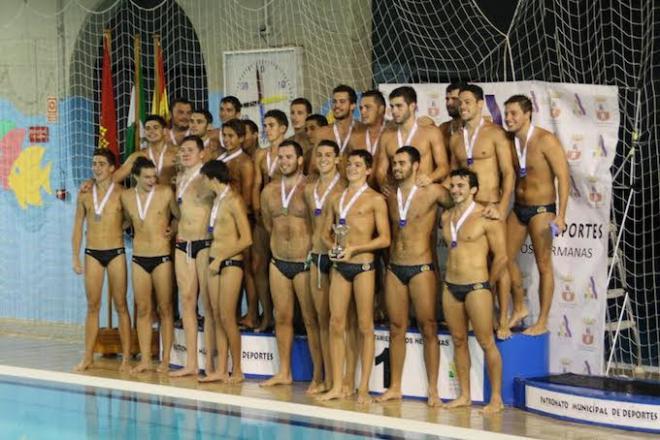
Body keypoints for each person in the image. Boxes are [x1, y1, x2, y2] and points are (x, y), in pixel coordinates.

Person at [376, 146, 451, 407]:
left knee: (428, 327)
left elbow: (460, 200)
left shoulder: (432, 191)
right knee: (396, 328)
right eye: (394, 164)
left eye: (402, 163)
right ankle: (395, 386)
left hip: (422, 267)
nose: (397, 168)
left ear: (416, 165)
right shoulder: (389, 194)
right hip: (395, 267)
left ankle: (433, 389)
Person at [318, 149, 391, 404]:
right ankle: (338, 385)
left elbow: (384, 238)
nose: (352, 168)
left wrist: (355, 249)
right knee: (336, 324)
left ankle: (363, 388)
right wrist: (332, 248)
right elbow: (325, 232)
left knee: (364, 326)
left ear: (369, 170)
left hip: (363, 266)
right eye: (349, 164)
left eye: (358, 165)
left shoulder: (375, 200)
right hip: (340, 266)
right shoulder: (336, 198)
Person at [450, 84, 515, 338]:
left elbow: (508, 173)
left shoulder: (495, 134)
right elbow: (454, 176)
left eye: (467, 102)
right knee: (471, 265)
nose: (463, 107)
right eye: (460, 103)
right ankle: (472, 315)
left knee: (500, 262)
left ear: (479, 105)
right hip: (466, 211)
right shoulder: (455, 138)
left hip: (490, 206)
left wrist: (500, 206)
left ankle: (504, 319)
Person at [259, 140, 324, 393]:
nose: (284, 161)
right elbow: (268, 224)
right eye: (280, 157)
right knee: (282, 318)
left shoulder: (310, 187)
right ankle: (284, 371)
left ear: (300, 160)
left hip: (303, 262)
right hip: (279, 263)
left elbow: (317, 225)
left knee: (311, 320)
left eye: (289, 157)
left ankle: (318, 376)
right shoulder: (268, 191)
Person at [441, 168, 506, 414]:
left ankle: (496, 398)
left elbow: (501, 257)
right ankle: (464, 395)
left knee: (486, 342)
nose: (456, 190)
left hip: (477, 286)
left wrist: (488, 283)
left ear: (474, 190)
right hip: (450, 286)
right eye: (453, 186)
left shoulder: (486, 217)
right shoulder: (446, 216)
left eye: (461, 186)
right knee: (458, 341)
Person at [503, 94, 569, 335]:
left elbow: (563, 176)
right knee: (503, 258)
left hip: (542, 209)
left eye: (513, 114)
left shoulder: (545, 140)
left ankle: (542, 321)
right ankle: (519, 307)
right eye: (507, 113)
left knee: (543, 265)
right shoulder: (509, 141)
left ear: (527, 113)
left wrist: (560, 215)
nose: (508, 118)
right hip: (519, 207)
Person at [72, 148, 131, 372]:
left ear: (112, 168)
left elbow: (131, 220)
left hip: (115, 252)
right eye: (94, 163)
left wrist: (115, 228)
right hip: (92, 253)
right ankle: (88, 356)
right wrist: (74, 256)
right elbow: (78, 226)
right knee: (92, 306)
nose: (96, 167)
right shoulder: (85, 194)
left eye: (101, 164)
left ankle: (126, 357)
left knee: (121, 305)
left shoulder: (122, 193)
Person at [120, 157, 179, 374]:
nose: (152, 180)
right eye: (147, 177)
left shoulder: (165, 193)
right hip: (139, 257)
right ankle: (145, 359)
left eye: (154, 176)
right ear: (135, 177)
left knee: (165, 308)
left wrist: (172, 229)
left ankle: (165, 359)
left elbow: (178, 216)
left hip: (161, 255)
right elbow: (127, 221)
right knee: (143, 309)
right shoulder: (126, 197)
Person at [198, 160, 253, 383]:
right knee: (219, 316)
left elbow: (246, 239)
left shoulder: (234, 201)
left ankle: (237, 370)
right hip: (214, 261)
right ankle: (221, 369)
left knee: (228, 317)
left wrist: (220, 257)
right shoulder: (217, 201)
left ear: (212, 178)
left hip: (230, 263)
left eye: (204, 179)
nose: (202, 183)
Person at [169, 135, 215, 378]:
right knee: (186, 301)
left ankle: (209, 363)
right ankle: (191, 362)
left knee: (207, 304)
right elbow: (181, 213)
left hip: (204, 244)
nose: (185, 153)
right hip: (182, 245)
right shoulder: (181, 178)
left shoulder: (207, 178)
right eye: (182, 150)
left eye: (190, 150)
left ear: (202, 153)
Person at [303, 139, 346, 392]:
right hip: (317, 257)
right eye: (319, 154)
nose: (323, 159)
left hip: (339, 259)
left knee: (340, 322)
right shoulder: (310, 190)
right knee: (318, 320)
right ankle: (320, 375)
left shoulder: (344, 187)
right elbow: (311, 224)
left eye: (328, 155)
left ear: (338, 159)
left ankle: (341, 379)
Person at [251, 109, 290, 332]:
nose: (267, 129)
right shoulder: (260, 154)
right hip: (265, 213)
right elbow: (257, 185)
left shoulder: (291, 151)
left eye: (271, 125)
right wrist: (258, 211)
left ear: (283, 128)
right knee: (259, 266)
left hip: (286, 216)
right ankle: (267, 316)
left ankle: (290, 318)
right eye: (265, 125)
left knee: (286, 266)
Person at [219, 118, 258, 329]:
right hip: (222, 223)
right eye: (224, 136)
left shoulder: (244, 162)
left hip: (242, 220)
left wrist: (239, 220)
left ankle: (252, 313)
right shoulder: (221, 158)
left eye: (231, 136)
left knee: (248, 269)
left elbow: (247, 196)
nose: (226, 140)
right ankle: (231, 313)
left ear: (242, 138)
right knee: (229, 268)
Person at [377, 86, 448, 197]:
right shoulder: (386, 136)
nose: (394, 111)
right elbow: (381, 169)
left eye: (399, 106)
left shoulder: (431, 132)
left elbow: (443, 167)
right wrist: (383, 183)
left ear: (412, 106)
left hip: (423, 194)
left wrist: (430, 178)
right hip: (398, 196)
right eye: (392, 106)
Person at [314, 85, 362, 172]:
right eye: (334, 101)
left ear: (353, 105)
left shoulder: (363, 131)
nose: (337, 105)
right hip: (330, 184)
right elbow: (313, 167)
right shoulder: (322, 133)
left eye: (342, 101)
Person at [353, 90, 387, 186]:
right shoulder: (354, 137)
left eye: (367, 107)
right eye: (361, 108)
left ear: (380, 109)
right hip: (362, 192)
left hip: (387, 191)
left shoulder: (393, 133)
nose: (362, 112)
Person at [438, 81, 467, 163]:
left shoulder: (474, 128)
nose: (449, 103)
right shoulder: (442, 129)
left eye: (454, 99)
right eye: (447, 99)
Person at [289, 97, 314, 173]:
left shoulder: (313, 141)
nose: (294, 117)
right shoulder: (287, 141)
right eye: (292, 113)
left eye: (300, 113)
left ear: (308, 116)